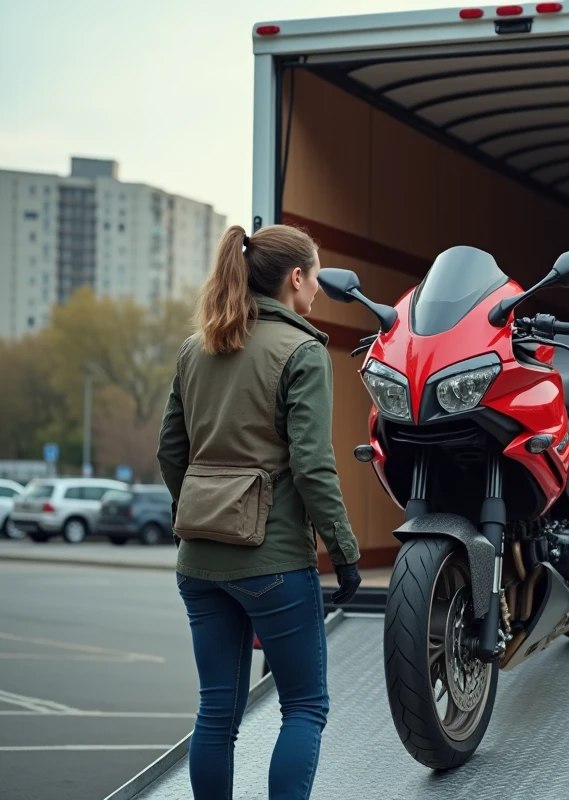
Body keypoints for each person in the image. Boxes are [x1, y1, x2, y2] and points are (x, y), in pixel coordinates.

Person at [158, 223, 362, 800]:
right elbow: (313, 466)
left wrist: (198, 514)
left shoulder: (196, 349)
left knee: (216, 712)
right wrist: (345, 553)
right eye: (317, 276)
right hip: (272, 565)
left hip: (198, 564)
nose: (318, 289)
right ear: (296, 279)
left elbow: (170, 452)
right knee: (303, 706)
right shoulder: (301, 351)